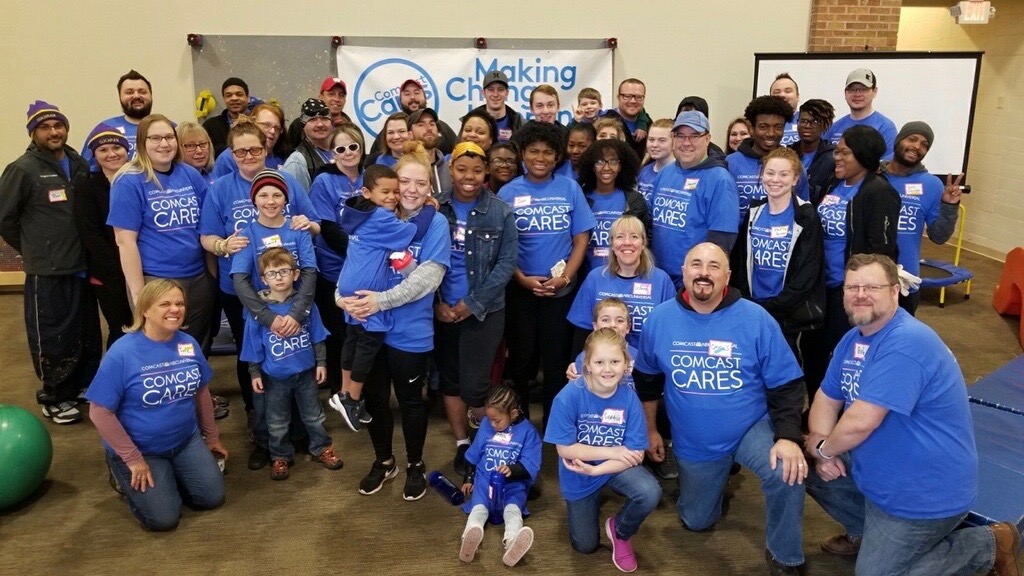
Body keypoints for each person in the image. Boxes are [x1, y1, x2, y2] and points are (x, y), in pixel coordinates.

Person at [804, 253, 1022, 576]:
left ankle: (989, 545)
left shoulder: (906, 342)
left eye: (872, 287)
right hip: (880, 471)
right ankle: (866, 531)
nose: (860, 294)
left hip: (925, 492)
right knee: (798, 462)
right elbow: (825, 398)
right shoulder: (853, 341)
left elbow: (862, 421)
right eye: (853, 288)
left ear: (895, 291)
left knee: (875, 574)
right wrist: (819, 451)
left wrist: (824, 449)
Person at [634, 242, 809, 576]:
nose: (704, 272)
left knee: (787, 470)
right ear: (683, 272)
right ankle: (718, 476)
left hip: (750, 428)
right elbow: (647, 380)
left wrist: (788, 436)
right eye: (696, 264)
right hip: (695, 440)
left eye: (714, 266)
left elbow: (786, 384)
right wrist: (651, 429)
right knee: (696, 521)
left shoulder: (756, 318)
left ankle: (786, 558)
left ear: (727, 275)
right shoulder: (660, 320)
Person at [336, 141, 451, 501]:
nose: (411, 190)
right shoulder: (375, 216)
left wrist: (379, 301)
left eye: (420, 184)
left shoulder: (436, 223)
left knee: (411, 402)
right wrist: (339, 298)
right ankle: (384, 461)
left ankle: (415, 463)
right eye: (405, 182)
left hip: (410, 332)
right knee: (374, 400)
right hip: (369, 328)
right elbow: (351, 268)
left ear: (429, 189)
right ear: (392, 183)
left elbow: (427, 280)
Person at [199, 120, 318, 449]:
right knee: (252, 353)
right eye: (241, 151)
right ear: (232, 154)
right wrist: (224, 246)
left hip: (289, 290)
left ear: (266, 149)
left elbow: (315, 224)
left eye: (255, 149)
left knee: (292, 347)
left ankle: (297, 419)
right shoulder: (220, 188)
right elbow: (206, 237)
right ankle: (258, 417)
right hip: (241, 290)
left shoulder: (288, 181)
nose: (248, 155)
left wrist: (308, 225)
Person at [85, 279, 226, 531]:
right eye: (165, 304)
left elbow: (201, 392)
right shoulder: (122, 353)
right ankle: (121, 472)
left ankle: (172, 473)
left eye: (179, 303)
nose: (175, 309)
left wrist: (212, 436)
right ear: (145, 310)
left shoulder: (187, 344)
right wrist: (133, 459)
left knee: (211, 497)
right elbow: (99, 412)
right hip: (142, 449)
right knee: (164, 519)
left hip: (185, 440)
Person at [0, 100, 100, 424]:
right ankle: (55, 396)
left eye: (58, 125)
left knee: (85, 332)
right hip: (48, 271)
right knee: (52, 335)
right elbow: (5, 219)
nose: (54, 131)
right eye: (45, 127)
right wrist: (35, 248)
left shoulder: (78, 162)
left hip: (82, 266)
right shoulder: (23, 169)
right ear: (33, 132)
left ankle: (82, 384)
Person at [498, 121, 597, 424]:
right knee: (521, 360)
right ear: (522, 154)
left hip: (561, 291)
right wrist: (520, 278)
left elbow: (582, 239)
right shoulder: (507, 192)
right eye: (533, 152)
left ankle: (555, 422)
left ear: (557, 157)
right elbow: (501, 246)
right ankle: (521, 420)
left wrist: (565, 277)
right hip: (521, 290)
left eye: (547, 153)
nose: (540, 158)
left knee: (556, 360)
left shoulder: (569, 188)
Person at [545, 328, 661, 574]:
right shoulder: (568, 398)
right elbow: (565, 448)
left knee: (649, 491)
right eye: (599, 362)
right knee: (585, 545)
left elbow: (635, 455)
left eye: (615, 361)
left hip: (608, 468)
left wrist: (600, 468)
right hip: (578, 473)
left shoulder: (630, 399)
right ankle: (590, 503)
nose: (608, 369)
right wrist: (614, 452)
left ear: (626, 365)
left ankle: (620, 531)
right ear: (587, 364)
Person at [328, 165, 435, 431]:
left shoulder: (358, 212)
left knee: (352, 339)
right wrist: (431, 208)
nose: (392, 197)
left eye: (395, 192)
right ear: (366, 192)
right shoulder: (379, 217)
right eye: (385, 191)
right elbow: (414, 233)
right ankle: (352, 398)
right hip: (366, 289)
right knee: (369, 342)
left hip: (349, 282)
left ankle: (342, 393)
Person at [435, 142, 518, 475]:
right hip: (442, 310)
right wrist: (438, 303)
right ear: (450, 170)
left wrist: (473, 303)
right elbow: (421, 260)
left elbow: (507, 262)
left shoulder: (500, 210)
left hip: (485, 310)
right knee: (451, 382)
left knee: (475, 385)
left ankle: (495, 443)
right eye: (461, 169)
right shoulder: (435, 209)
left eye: (477, 170)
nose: (469, 177)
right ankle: (462, 444)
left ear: (486, 173)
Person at [803, 125, 901, 404]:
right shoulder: (836, 185)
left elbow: (882, 252)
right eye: (837, 151)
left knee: (844, 357)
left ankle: (844, 414)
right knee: (814, 352)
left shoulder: (878, 192)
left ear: (863, 155)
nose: (837, 157)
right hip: (821, 288)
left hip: (847, 292)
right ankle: (816, 411)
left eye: (844, 152)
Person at [108, 114, 215, 348]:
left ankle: (196, 386)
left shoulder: (190, 174)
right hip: (155, 280)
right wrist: (138, 295)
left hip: (197, 278)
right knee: (161, 349)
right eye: (155, 138)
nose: (164, 144)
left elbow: (208, 225)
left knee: (195, 347)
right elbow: (125, 241)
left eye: (169, 137)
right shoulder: (128, 180)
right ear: (142, 143)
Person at [240, 248, 343, 480]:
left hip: (306, 373)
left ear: (295, 275)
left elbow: (317, 335)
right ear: (263, 278)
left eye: (284, 271)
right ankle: (280, 455)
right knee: (276, 421)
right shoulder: (258, 311)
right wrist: (254, 372)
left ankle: (321, 447)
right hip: (274, 378)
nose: (279, 277)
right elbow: (252, 345)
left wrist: (321, 362)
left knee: (313, 415)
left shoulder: (306, 306)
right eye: (272, 273)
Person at [729, 147, 825, 357]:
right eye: (770, 173)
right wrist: (748, 302)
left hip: (786, 313)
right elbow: (742, 260)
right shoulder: (754, 211)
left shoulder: (806, 216)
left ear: (795, 179)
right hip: (753, 307)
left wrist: (777, 307)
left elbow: (808, 271)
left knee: (783, 369)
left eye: (784, 174)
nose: (775, 180)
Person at [649, 110, 740, 289]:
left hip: (693, 283)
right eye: (680, 135)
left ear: (707, 138)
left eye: (694, 136)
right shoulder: (666, 173)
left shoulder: (720, 180)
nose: (686, 142)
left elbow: (722, 241)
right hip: (658, 278)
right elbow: (652, 223)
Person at [308, 124, 367, 397]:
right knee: (339, 335)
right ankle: (340, 393)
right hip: (334, 270)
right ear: (332, 153)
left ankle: (361, 391)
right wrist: (361, 254)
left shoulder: (369, 176)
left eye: (352, 146)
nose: (347, 153)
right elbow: (328, 228)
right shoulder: (324, 181)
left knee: (362, 334)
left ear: (361, 146)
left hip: (368, 271)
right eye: (340, 149)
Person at [881, 121, 963, 315]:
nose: (917, 146)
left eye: (924, 144)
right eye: (912, 139)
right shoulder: (874, 175)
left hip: (906, 281)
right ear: (899, 140)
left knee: (899, 341)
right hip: (869, 277)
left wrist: (950, 206)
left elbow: (939, 236)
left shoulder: (932, 184)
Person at [458, 386, 541, 567]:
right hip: (485, 480)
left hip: (513, 484)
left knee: (513, 511)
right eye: (490, 419)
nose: (492, 424)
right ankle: (470, 536)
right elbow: (475, 453)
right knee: (478, 509)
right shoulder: (487, 423)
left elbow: (531, 464)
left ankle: (512, 542)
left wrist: (513, 470)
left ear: (512, 413)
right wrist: (469, 478)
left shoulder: (528, 432)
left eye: (497, 421)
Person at [568, 215, 674, 350]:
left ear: (643, 243)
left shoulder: (661, 280)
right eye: (620, 237)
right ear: (612, 244)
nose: (627, 242)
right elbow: (582, 332)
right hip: (604, 364)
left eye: (634, 237)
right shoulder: (595, 278)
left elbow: (669, 333)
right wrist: (579, 364)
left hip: (646, 364)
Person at [73, 124, 133, 350]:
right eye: (103, 150)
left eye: (116, 147)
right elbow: (91, 234)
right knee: (121, 329)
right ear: (94, 155)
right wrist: (118, 270)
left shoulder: (138, 180)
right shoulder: (86, 186)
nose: (111, 154)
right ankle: (114, 381)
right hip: (108, 274)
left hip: (140, 267)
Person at [727, 95, 809, 222]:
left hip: (781, 239)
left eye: (778, 127)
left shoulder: (795, 166)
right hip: (738, 240)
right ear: (752, 129)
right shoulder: (730, 164)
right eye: (763, 127)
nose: (771, 133)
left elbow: (803, 212)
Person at [576, 139, 648, 274]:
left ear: (621, 166)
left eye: (613, 162)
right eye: (600, 162)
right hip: (586, 275)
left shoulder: (634, 201)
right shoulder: (580, 198)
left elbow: (645, 242)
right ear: (592, 166)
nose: (606, 167)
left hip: (624, 274)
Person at [81, 70, 153, 170]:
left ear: (151, 95)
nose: (136, 96)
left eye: (142, 92)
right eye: (129, 92)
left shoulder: (168, 128)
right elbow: (85, 169)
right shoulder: (104, 129)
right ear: (120, 97)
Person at [367, 79, 457, 156]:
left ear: (425, 98)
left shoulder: (441, 127)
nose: (413, 97)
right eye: (407, 94)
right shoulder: (390, 130)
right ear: (400, 100)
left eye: (417, 93)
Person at [824, 68, 898, 160]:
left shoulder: (885, 127)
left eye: (863, 89)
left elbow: (888, 165)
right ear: (845, 93)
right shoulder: (834, 128)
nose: (857, 94)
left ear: (874, 91)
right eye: (852, 89)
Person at [212, 103, 290, 177]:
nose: (273, 131)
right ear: (253, 124)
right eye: (266, 125)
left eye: (277, 128)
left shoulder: (281, 158)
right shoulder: (228, 159)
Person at [788, 99, 836, 203]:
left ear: (825, 125)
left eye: (815, 122)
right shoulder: (787, 153)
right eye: (803, 121)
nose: (807, 126)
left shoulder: (834, 157)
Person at [285, 76, 352, 149]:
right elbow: (289, 153)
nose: (337, 99)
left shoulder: (350, 127)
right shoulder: (299, 124)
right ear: (321, 97)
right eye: (331, 94)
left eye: (341, 95)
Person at [282, 98, 334, 191]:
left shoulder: (342, 150)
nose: (320, 124)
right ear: (303, 127)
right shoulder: (297, 162)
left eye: (324, 118)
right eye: (313, 119)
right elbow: (298, 203)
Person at [602, 78, 652, 160]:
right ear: (618, 97)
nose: (633, 101)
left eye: (639, 97)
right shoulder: (605, 121)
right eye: (627, 96)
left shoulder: (648, 124)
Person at [470, 70, 524, 143]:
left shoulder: (519, 122)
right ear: (483, 93)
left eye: (500, 89)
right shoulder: (470, 121)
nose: (495, 94)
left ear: (507, 93)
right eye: (491, 89)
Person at [408, 108, 452, 196]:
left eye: (432, 124)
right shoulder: (402, 170)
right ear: (410, 134)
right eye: (421, 125)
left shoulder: (451, 169)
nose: (429, 128)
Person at [202, 77, 250, 157]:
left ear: (248, 98)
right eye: (228, 95)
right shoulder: (210, 126)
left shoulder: (259, 122)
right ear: (224, 99)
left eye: (239, 94)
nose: (234, 98)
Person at [511, 84, 567, 149]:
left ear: (558, 107)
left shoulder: (567, 136)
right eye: (539, 106)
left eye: (550, 105)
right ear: (532, 109)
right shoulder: (518, 138)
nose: (545, 111)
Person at [636, 118, 674, 207]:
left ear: (674, 142)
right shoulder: (643, 171)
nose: (654, 145)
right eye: (651, 139)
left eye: (662, 140)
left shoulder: (680, 174)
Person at [769, 73, 801, 147]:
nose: (782, 95)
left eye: (788, 91)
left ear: (798, 96)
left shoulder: (810, 122)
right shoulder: (761, 123)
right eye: (777, 92)